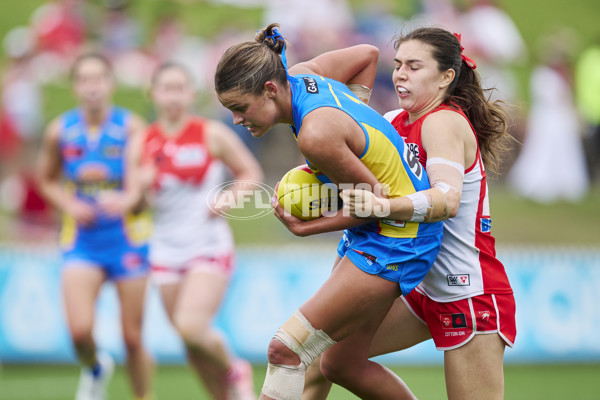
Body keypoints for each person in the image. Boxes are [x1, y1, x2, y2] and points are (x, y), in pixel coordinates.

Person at [214, 23, 444, 400]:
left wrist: (308, 227)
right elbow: (367, 55)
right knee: (337, 366)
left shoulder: (316, 135)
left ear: (270, 89)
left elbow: (374, 205)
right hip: (384, 229)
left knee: (285, 350)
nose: (238, 120)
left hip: (398, 239)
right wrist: (355, 122)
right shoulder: (303, 76)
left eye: (240, 108)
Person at [302, 27, 517, 400]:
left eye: (414, 67)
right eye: (398, 65)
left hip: (467, 291)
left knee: (321, 354)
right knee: (329, 358)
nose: (400, 74)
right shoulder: (394, 121)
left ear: (446, 77)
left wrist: (382, 206)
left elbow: (446, 201)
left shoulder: (443, 121)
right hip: (418, 288)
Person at [134, 62, 263, 400]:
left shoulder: (211, 133)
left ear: (192, 93)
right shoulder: (142, 142)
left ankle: (237, 370)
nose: (173, 96)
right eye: (166, 88)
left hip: (207, 244)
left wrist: (229, 198)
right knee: (191, 344)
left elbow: (250, 171)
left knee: (192, 327)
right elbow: (133, 207)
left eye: (180, 88)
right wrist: (140, 190)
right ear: (153, 94)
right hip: (164, 248)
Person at [37, 53, 153, 400]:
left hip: (128, 239)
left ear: (111, 84)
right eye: (84, 80)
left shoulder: (132, 128)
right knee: (78, 332)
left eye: (99, 78)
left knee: (132, 338)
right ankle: (95, 367)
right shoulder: (59, 130)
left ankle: (144, 396)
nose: (92, 87)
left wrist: (128, 198)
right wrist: (69, 204)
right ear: (75, 86)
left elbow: (149, 174)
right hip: (82, 241)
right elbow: (46, 180)